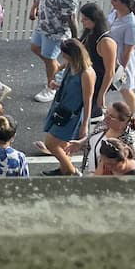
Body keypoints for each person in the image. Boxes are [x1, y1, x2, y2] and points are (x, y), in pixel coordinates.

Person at [40, 39, 96, 176]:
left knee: (51, 143)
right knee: (64, 145)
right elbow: (65, 80)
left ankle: (71, 171)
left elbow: (88, 100)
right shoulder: (72, 65)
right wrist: (56, 84)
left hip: (73, 114)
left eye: (65, 54)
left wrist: (84, 125)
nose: (63, 56)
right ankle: (64, 169)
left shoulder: (86, 73)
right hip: (63, 108)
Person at [30, 0, 77, 103]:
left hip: (56, 31)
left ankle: (51, 88)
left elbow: (71, 18)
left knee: (49, 58)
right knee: (35, 48)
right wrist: (34, 8)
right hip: (43, 24)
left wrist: (75, 39)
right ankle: (57, 73)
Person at [67, 100, 135, 174]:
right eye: (106, 113)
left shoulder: (130, 141)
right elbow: (93, 138)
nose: (106, 118)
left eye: (111, 117)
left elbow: (132, 168)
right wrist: (80, 143)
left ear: (123, 121)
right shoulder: (103, 126)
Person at [78, 2, 118, 122]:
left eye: (85, 19)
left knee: (92, 114)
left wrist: (102, 94)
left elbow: (109, 72)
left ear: (94, 20)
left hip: (97, 81)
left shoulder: (105, 41)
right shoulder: (89, 33)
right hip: (88, 77)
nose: (82, 21)